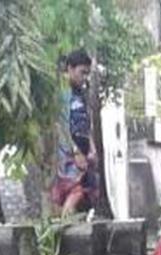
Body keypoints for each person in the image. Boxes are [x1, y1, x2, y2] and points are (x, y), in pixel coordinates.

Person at [51, 50, 98, 216]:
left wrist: (91, 148)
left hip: (84, 155)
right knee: (73, 192)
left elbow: (86, 124)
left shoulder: (81, 94)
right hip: (67, 155)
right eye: (82, 72)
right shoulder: (63, 92)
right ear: (70, 68)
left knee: (85, 195)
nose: (84, 77)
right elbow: (61, 124)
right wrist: (75, 152)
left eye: (87, 73)